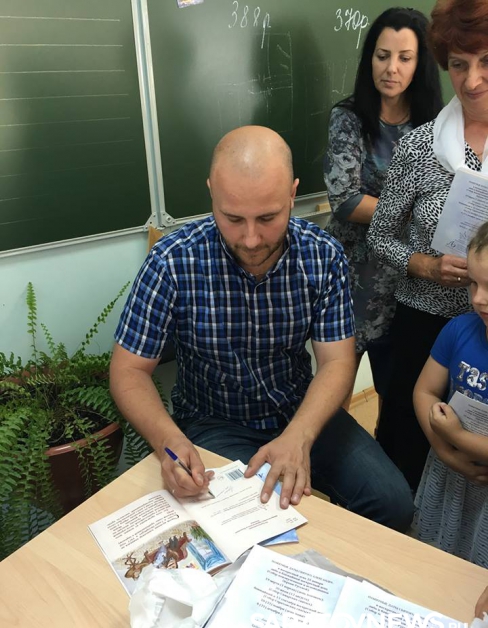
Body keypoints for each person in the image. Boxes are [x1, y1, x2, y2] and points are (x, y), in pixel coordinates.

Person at [109, 125, 413, 532]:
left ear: (292, 194)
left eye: (268, 218)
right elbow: (128, 369)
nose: (251, 239)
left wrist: (299, 436)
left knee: (393, 503)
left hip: (300, 408)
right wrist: (170, 442)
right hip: (215, 420)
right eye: (233, 218)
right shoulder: (172, 262)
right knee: (247, 526)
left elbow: (337, 362)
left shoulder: (322, 256)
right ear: (212, 195)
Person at [367, 0, 488, 492]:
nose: (472, 80)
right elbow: (379, 236)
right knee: (409, 449)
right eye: (458, 64)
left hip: (485, 329)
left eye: (486, 61)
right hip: (423, 323)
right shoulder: (419, 147)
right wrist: (422, 264)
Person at [324, 7, 442, 411]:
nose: (391, 68)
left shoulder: (436, 125)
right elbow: (346, 200)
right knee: (335, 390)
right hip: (353, 275)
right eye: (382, 55)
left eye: (404, 58)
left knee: (399, 395)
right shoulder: (349, 117)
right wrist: (413, 209)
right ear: (369, 59)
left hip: (410, 277)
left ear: (420, 64)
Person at [412, 223, 488, 567]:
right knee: (439, 559)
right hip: (451, 475)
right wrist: (445, 450)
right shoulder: (459, 329)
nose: (478, 298)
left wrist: (456, 437)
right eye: (474, 283)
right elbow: (425, 390)